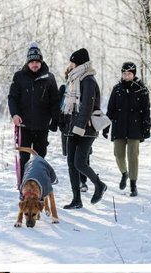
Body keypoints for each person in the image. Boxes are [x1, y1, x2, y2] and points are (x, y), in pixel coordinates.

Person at [60, 48, 107, 210]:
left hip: (86, 130)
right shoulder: (74, 80)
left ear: (79, 63)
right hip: (73, 128)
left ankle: (99, 185)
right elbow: (69, 105)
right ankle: (76, 199)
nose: (70, 65)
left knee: (79, 163)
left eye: (72, 62)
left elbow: (87, 106)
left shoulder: (88, 80)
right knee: (71, 164)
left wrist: (78, 128)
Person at [8, 42, 59, 185]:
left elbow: (55, 100)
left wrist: (55, 119)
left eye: (37, 61)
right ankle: (23, 189)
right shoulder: (19, 77)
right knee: (24, 158)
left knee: (39, 160)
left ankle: (38, 188)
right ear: (27, 62)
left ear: (41, 62)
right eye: (32, 61)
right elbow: (12, 97)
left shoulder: (49, 78)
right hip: (24, 125)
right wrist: (15, 114)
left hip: (42, 126)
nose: (35, 64)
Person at [104, 62, 151, 198]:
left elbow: (146, 111)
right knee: (118, 155)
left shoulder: (141, 89)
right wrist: (106, 127)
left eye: (129, 74)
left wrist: (146, 127)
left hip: (135, 128)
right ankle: (124, 173)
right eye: (124, 73)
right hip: (119, 126)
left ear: (134, 74)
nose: (126, 76)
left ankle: (133, 185)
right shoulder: (117, 89)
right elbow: (110, 109)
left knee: (133, 157)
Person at [56, 65, 89, 193]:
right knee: (71, 157)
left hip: (81, 125)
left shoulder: (83, 87)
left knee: (83, 156)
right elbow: (59, 107)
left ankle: (83, 181)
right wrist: (60, 123)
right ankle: (76, 183)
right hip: (67, 126)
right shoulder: (63, 89)